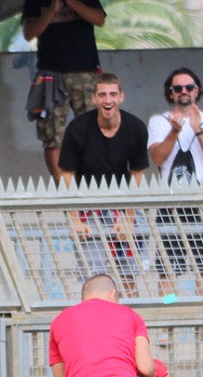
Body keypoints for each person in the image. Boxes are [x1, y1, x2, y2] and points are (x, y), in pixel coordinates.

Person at [146, 67, 203, 343]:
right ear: (170, 93)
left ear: (197, 90)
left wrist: (198, 130)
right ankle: (168, 324)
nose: (183, 92)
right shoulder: (159, 121)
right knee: (168, 272)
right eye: (178, 88)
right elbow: (158, 158)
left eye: (189, 87)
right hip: (170, 207)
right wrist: (174, 132)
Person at [59, 73, 149, 296]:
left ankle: (128, 316)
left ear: (121, 97)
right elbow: (67, 174)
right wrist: (74, 218)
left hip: (124, 204)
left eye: (112, 94)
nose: (108, 100)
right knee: (93, 277)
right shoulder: (78, 128)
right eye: (102, 95)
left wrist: (129, 218)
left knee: (129, 275)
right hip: (89, 207)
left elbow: (137, 173)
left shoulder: (136, 127)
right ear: (94, 98)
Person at [22, 0, 106, 180]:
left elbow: (100, 19)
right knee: (51, 135)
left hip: (86, 71)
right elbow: (29, 34)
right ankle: (63, 189)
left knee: (94, 131)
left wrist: (73, 3)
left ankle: (92, 183)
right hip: (50, 73)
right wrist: (52, 11)